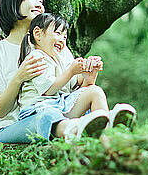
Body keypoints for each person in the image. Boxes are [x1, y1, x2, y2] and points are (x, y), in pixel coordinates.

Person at [0, 0, 135, 143]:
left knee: (94, 91)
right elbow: (0, 111)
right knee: (45, 116)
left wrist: (88, 74)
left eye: (41, 1)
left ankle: (109, 134)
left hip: (57, 111)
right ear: (12, 3)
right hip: (14, 127)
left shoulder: (56, 47)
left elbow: (73, 91)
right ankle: (75, 129)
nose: (39, 4)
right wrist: (19, 78)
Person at [17, 13, 128, 141]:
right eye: (58, 33)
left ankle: (108, 131)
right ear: (38, 34)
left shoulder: (61, 57)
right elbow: (48, 90)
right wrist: (71, 71)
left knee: (95, 91)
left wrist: (89, 74)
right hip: (37, 110)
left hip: (59, 106)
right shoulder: (36, 57)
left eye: (65, 37)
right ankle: (101, 132)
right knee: (51, 114)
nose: (62, 40)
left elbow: (80, 86)